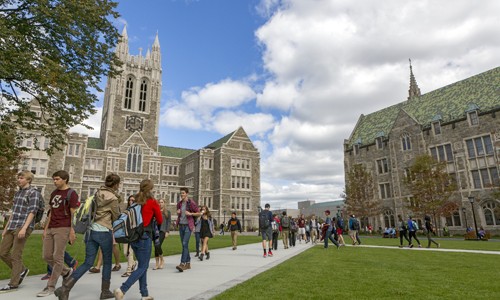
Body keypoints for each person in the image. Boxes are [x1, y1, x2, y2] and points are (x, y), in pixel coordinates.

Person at [54, 173, 121, 300]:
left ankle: (65, 288)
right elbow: (116, 216)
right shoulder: (113, 198)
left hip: (91, 231)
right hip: (104, 230)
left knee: (88, 262)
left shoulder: (97, 193)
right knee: (107, 262)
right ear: (116, 185)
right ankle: (105, 291)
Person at [114, 179, 162, 300]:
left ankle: (144, 294)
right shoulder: (152, 202)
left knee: (142, 266)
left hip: (133, 237)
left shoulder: (135, 200)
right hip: (145, 236)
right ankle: (122, 289)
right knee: (143, 267)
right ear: (150, 189)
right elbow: (160, 220)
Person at [0, 170, 43, 293]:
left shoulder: (34, 193)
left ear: (28, 180)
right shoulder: (18, 193)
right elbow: (13, 213)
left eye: (21, 178)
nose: (18, 179)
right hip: (12, 225)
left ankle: (13, 283)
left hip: (23, 226)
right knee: (2, 252)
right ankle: (22, 270)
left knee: (15, 255)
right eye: (18, 177)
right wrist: (6, 228)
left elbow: (32, 211)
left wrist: (24, 228)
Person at [38, 170, 80, 297]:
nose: (54, 181)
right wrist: (45, 229)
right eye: (54, 179)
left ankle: (50, 286)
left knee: (58, 257)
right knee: (46, 256)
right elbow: (51, 212)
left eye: (57, 179)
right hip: (51, 227)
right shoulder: (54, 193)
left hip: (63, 227)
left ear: (65, 179)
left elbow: (73, 214)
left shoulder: (71, 193)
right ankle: (67, 272)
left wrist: (72, 231)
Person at [175, 187, 201, 272]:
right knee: (184, 245)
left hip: (188, 226)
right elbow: (179, 213)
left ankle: (182, 263)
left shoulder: (191, 203)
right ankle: (188, 263)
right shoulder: (179, 204)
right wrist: (178, 212)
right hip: (181, 226)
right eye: (181, 193)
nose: (181, 194)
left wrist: (190, 213)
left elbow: (199, 213)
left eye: (183, 193)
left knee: (185, 243)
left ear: (186, 193)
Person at [121, 195, 137, 277]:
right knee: (125, 253)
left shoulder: (136, 211)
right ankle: (133, 263)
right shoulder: (126, 211)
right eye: (130, 200)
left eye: (133, 200)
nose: (131, 201)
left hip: (133, 234)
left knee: (130, 252)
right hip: (125, 234)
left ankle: (129, 270)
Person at [153, 199, 170, 269]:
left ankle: (162, 260)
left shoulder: (167, 212)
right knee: (155, 246)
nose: (160, 204)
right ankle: (157, 263)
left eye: (162, 202)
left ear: (164, 203)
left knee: (158, 245)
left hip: (162, 230)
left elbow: (168, 222)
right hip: (155, 230)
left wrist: (167, 231)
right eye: (159, 202)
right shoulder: (155, 211)